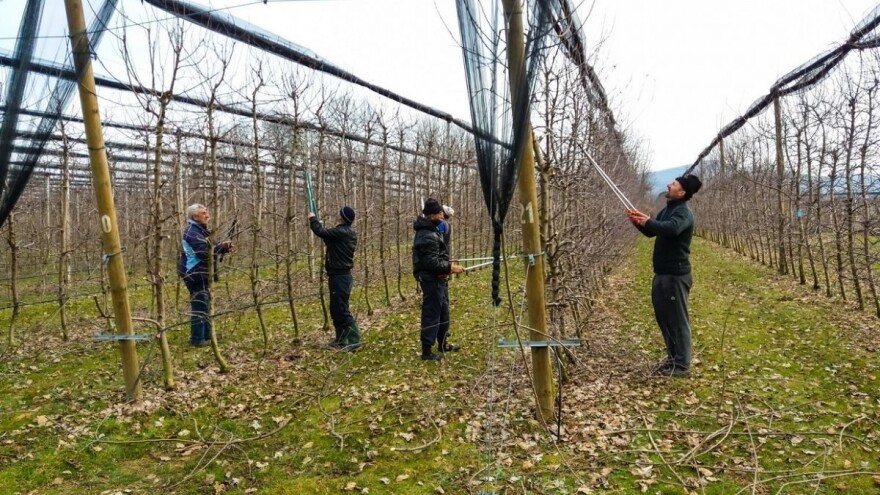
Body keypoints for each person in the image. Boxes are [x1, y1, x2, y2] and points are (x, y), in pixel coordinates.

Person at [627, 175, 702, 378]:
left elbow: (672, 229)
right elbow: (653, 231)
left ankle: (682, 365)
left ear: (682, 192)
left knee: (677, 320)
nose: (669, 184)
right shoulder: (669, 209)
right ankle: (673, 359)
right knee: (665, 319)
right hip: (662, 274)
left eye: (674, 184)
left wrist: (649, 221)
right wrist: (639, 222)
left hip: (675, 276)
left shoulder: (683, 212)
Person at [413, 198, 465, 361]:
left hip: (439, 279)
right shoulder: (427, 234)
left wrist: (447, 263)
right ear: (431, 215)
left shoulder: (432, 230)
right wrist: (451, 268)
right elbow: (431, 263)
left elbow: (435, 256)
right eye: (439, 213)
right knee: (432, 313)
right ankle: (427, 351)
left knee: (443, 312)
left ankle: (443, 344)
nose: (442, 216)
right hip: (431, 280)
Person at [178, 204, 233, 347]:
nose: (207, 215)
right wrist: (221, 247)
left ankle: (208, 335)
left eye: (206, 212)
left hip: (202, 272)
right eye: (203, 213)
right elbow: (204, 253)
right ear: (195, 217)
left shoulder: (201, 230)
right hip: (195, 273)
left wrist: (224, 247)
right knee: (199, 305)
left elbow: (211, 246)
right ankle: (197, 339)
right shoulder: (192, 232)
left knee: (206, 304)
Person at [309, 206, 361, 351]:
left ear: (342, 218)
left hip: (341, 277)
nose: (337, 216)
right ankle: (341, 338)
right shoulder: (343, 233)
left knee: (341, 309)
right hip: (338, 276)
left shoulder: (342, 232)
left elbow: (321, 232)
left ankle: (354, 340)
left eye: (339, 215)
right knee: (335, 309)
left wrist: (312, 219)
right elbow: (328, 238)